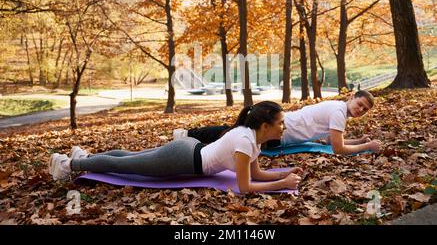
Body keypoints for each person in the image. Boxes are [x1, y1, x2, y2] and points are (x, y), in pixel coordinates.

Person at [48, 101, 303, 194]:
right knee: (124, 165)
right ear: (265, 124)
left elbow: (256, 175)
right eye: (280, 123)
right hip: (182, 159)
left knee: (129, 157)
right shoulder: (246, 141)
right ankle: (68, 164)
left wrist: (284, 174)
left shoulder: (252, 139)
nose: (284, 127)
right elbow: (245, 187)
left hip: (190, 149)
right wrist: (281, 184)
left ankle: (85, 157)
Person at [175, 90, 382, 155]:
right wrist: (368, 146)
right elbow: (337, 148)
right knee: (232, 134)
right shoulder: (339, 112)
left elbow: (332, 140)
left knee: (233, 134)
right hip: (280, 129)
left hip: (281, 129)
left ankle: (189, 138)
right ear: (352, 97)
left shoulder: (339, 110)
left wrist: (357, 140)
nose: (361, 110)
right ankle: (188, 136)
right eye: (360, 104)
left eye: (365, 109)